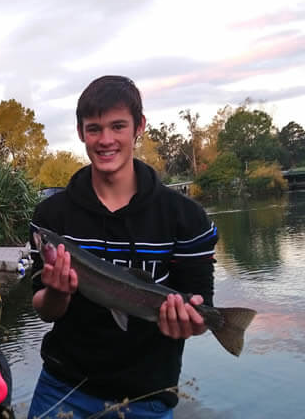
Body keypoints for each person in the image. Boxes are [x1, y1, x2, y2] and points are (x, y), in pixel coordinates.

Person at [27, 75, 219, 419]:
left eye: (118, 126)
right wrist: (58, 293)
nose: (106, 140)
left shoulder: (186, 218)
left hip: (149, 396)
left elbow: (202, 306)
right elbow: (44, 309)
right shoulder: (51, 217)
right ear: (80, 131)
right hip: (62, 387)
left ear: (139, 127)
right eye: (94, 129)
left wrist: (194, 323)